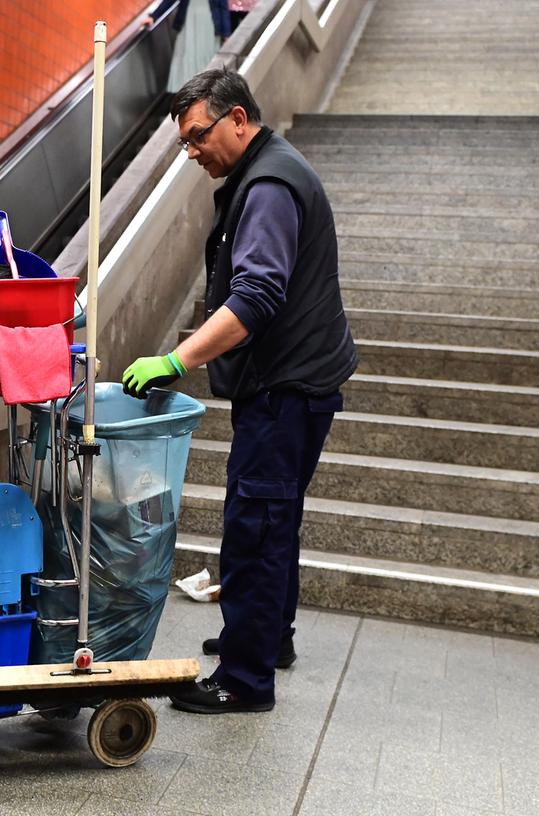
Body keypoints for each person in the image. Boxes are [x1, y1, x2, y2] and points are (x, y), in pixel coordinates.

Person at [120, 69, 357, 714]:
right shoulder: (262, 173)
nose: (192, 152)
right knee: (276, 516)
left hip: (287, 385)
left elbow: (255, 297)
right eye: (184, 143)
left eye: (197, 137)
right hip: (298, 378)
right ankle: (267, 637)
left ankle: (244, 679)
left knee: (255, 521)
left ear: (239, 120)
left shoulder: (271, 184)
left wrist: (176, 358)